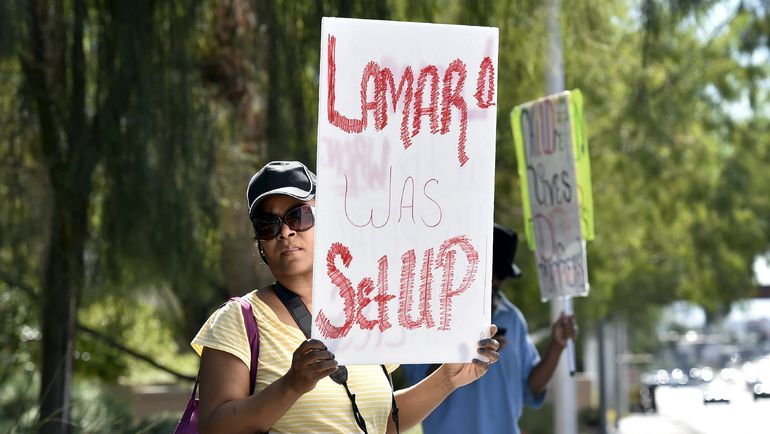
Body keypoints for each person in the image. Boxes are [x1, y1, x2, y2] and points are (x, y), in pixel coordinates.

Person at [190, 160, 500, 434]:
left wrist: (447, 379)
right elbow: (215, 427)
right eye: (267, 225)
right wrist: (292, 384)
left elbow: (380, 421)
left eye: (298, 216)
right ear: (260, 243)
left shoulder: (368, 310)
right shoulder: (237, 320)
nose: (285, 232)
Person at [402, 224, 578, 434]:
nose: (495, 280)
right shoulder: (435, 315)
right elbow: (417, 387)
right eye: (490, 270)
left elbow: (531, 390)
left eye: (501, 274)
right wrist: (463, 350)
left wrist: (556, 346)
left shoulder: (513, 319)